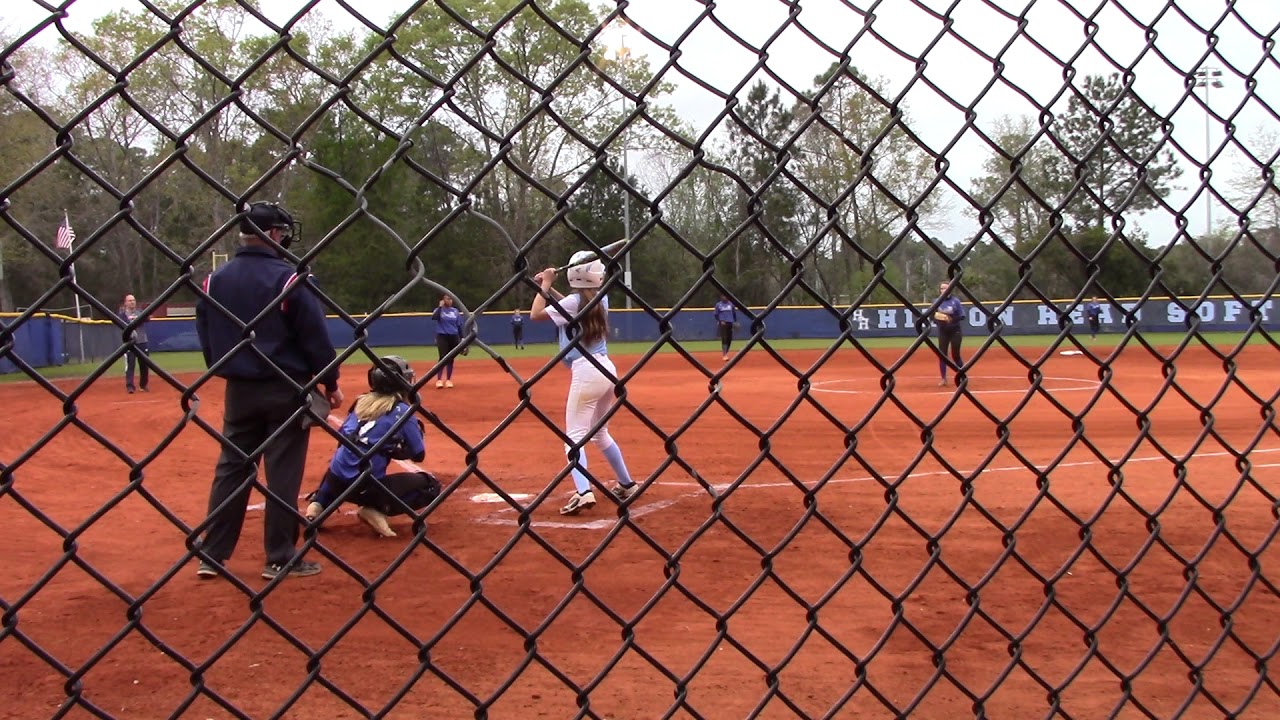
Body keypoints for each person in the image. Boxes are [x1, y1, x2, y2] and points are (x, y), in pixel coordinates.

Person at [194, 201, 342, 581]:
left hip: (239, 389)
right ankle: (279, 557)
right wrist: (330, 380)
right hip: (286, 388)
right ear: (274, 234)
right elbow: (314, 337)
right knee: (283, 472)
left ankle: (212, 554)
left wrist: (227, 365)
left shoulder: (215, 279)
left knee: (231, 469)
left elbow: (207, 337)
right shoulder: (289, 278)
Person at [530, 251, 638, 516]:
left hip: (586, 371)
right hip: (607, 370)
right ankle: (626, 484)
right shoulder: (600, 298)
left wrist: (545, 284)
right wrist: (548, 287)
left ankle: (583, 492)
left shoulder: (575, 302)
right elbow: (568, 304)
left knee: (573, 437)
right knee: (600, 434)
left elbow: (535, 314)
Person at [304, 355, 441, 538]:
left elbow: (343, 438)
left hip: (336, 482)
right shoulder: (403, 411)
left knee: (343, 457)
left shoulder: (360, 401)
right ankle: (376, 510)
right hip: (368, 487)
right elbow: (418, 454)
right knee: (431, 486)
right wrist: (396, 448)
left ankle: (318, 504)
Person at [932, 281, 964, 387]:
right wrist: (939, 320)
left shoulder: (955, 301)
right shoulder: (936, 302)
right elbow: (932, 316)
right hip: (943, 331)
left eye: (946, 288)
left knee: (956, 355)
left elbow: (962, 316)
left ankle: (962, 376)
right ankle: (943, 378)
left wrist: (951, 319)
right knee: (942, 355)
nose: (944, 290)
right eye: (942, 288)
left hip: (955, 331)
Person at [430, 293, 464, 388]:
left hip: (453, 336)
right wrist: (440, 307)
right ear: (443, 300)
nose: (450, 301)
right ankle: (439, 380)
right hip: (442, 336)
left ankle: (448, 380)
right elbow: (434, 317)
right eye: (448, 299)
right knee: (442, 358)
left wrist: (462, 338)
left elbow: (459, 326)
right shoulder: (439, 310)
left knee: (451, 358)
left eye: (451, 299)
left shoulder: (455, 311)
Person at [118, 293, 150, 393]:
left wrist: (137, 319)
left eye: (134, 300)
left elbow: (147, 318)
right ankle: (130, 386)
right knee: (130, 365)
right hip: (129, 343)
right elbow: (122, 324)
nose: (132, 302)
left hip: (142, 341)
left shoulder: (140, 312)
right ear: (125, 303)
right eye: (130, 300)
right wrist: (132, 321)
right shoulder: (122, 315)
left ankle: (143, 385)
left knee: (144, 364)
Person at [713, 293, 737, 361]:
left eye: (725, 296)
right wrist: (720, 320)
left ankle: (726, 353)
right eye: (723, 296)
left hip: (730, 322)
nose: (724, 297)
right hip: (723, 323)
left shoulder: (731, 304)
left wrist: (735, 322)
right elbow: (715, 314)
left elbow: (734, 313)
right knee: (724, 338)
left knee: (729, 338)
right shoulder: (718, 305)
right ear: (721, 297)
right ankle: (724, 355)